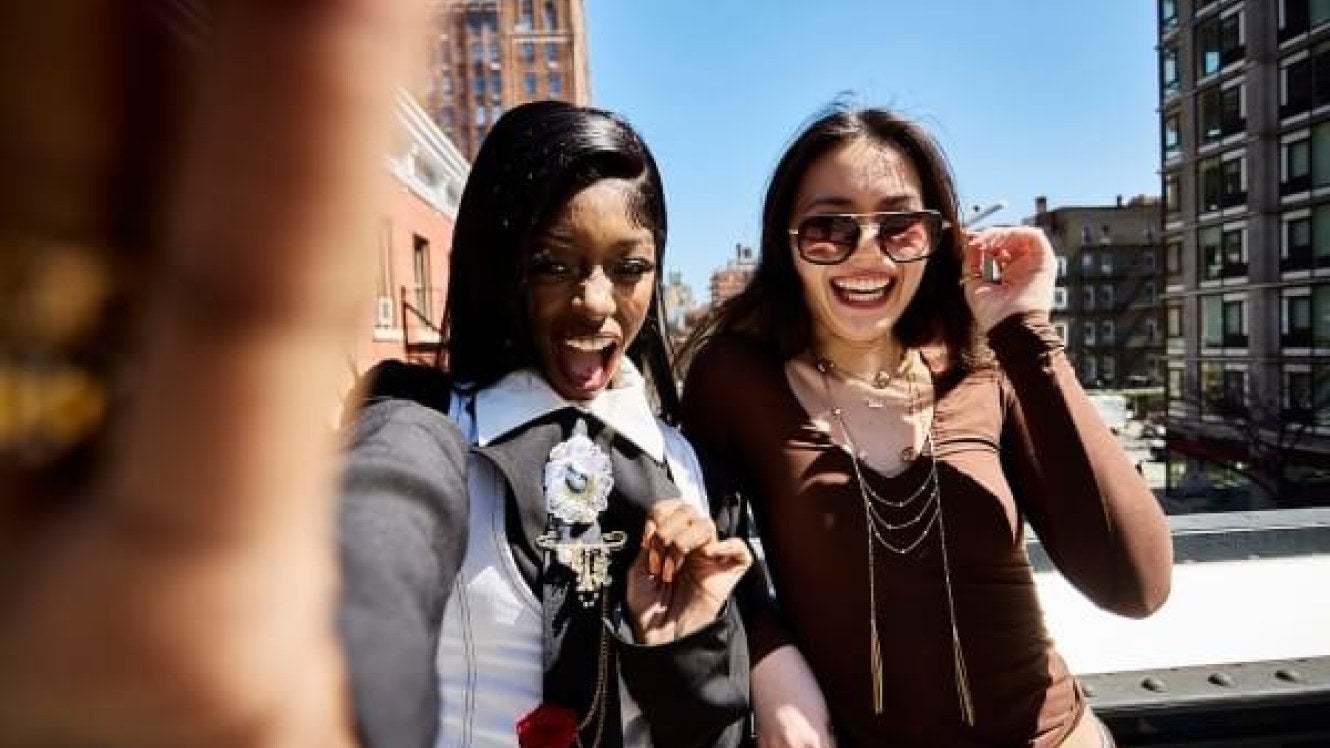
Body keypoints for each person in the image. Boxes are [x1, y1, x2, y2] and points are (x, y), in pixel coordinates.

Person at [679, 106, 1174, 747]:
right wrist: (772, 666)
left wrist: (1026, 331)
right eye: (828, 228)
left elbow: (1137, 585)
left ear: (937, 238)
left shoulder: (986, 364)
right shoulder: (735, 379)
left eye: (900, 227)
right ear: (787, 243)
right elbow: (711, 551)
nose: (866, 254)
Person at [339, 100, 752, 748]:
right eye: (552, 264)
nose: (595, 303)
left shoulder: (694, 473)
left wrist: (685, 645)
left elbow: (719, 732)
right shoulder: (421, 424)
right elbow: (375, 530)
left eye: (629, 268)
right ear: (498, 261)